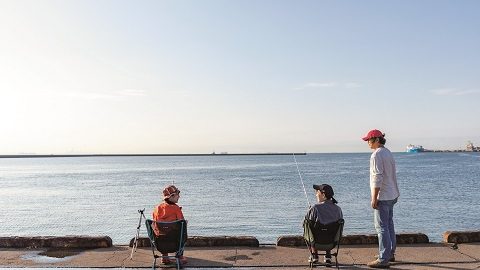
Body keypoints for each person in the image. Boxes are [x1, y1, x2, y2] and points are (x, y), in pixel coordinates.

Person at [362, 129, 400, 268]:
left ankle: (383, 258)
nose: (368, 143)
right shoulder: (388, 152)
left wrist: (374, 197)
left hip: (383, 196)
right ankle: (390, 253)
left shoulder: (376, 155)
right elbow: (392, 174)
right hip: (392, 194)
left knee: (382, 227)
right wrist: (397, 191)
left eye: (369, 140)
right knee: (389, 225)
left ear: (377, 140)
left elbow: (377, 177)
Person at [306, 184, 343, 266]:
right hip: (332, 243)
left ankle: (314, 255)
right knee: (329, 230)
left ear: (323, 195)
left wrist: (310, 210)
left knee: (310, 229)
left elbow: (307, 223)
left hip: (316, 243)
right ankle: (328, 256)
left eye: (317, 192)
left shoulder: (315, 208)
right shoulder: (338, 209)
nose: (316, 194)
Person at [152, 184, 187, 265]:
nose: (179, 196)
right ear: (171, 196)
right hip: (175, 242)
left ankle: (165, 257)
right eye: (178, 194)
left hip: (159, 242)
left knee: (162, 230)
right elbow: (182, 223)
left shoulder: (157, 208)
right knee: (182, 230)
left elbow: (155, 225)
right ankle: (179, 256)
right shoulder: (176, 208)